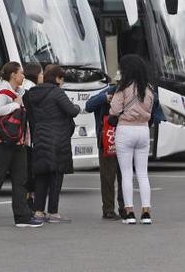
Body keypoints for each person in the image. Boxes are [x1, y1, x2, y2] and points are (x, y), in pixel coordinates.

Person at [0, 62, 45, 229]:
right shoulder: (2, 91)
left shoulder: (17, 92)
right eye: (21, 73)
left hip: (17, 142)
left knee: (20, 180)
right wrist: (17, 103)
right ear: (13, 75)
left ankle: (22, 217)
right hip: (1, 142)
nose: (23, 76)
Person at [25, 64, 79, 223]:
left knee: (41, 175)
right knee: (56, 176)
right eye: (62, 78)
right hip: (57, 139)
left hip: (40, 137)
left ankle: (38, 211)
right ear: (57, 78)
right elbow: (72, 111)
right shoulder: (57, 92)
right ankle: (53, 212)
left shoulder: (33, 93)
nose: (62, 82)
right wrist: (75, 105)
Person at [108, 54, 154, 225]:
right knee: (143, 173)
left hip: (125, 130)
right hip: (143, 130)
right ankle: (146, 212)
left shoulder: (123, 87)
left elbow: (114, 110)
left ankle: (129, 213)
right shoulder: (148, 88)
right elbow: (151, 107)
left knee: (126, 173)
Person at [85, 71, 126, 220]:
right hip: (106, 139)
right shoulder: (109, 92)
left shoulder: (132, 94)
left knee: (125, 177)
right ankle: (108, 209)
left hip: (125, 139)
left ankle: (124, 207)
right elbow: (88, 105)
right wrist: (105, 98)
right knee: (108, 177)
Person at [21, 63, 43, 209]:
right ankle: (29, 200)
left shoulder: (22, 88)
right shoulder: (31, 90)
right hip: (30, 135)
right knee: (30, 169)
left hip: (24, 136)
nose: (43, 76)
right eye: (41, 73)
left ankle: (28, 199)